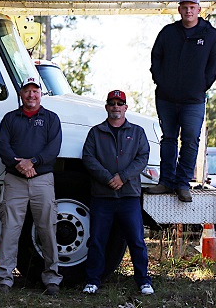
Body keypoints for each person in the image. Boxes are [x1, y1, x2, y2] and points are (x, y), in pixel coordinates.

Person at [146, 0, 216, 202]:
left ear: (199, 10)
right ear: (179, 9)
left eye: (192, 7)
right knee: (168, 139)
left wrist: (201, 86)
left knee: (190, 140)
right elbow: (155, 58)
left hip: (193, 100)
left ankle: (182, 183)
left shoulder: (210, 34)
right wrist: (161, 81)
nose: (188, 11)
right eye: (184, 7)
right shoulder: (168, 33)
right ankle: (166, 181)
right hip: (166, 98)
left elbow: (214, 65)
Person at [81, 90, 154, 296]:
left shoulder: (137, 132)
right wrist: (107, 178)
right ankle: (92, 280)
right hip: (102, 197)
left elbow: (142, 157)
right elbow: (88, 158)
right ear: (106, 107)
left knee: (137, 241)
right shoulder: (96, 132)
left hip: (129, 196)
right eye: (112, 103)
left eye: (119, 103)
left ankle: (143, 280)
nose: (115, 107)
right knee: (97, 240)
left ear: (125, 107)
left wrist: (123, 176)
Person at [0, 77, 63, 296]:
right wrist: (20, 165)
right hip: (15, 181)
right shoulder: (10, 119)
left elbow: (53, 148)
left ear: (41, 94)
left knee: (47, 229)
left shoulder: (51, 119)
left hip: (42, 180)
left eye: (35, 91)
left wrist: (32, 162)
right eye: (27, 91)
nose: (31, 95)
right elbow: (2, 147)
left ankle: (52, 278)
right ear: (21, 94)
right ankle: (4, 278)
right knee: (10, 230)